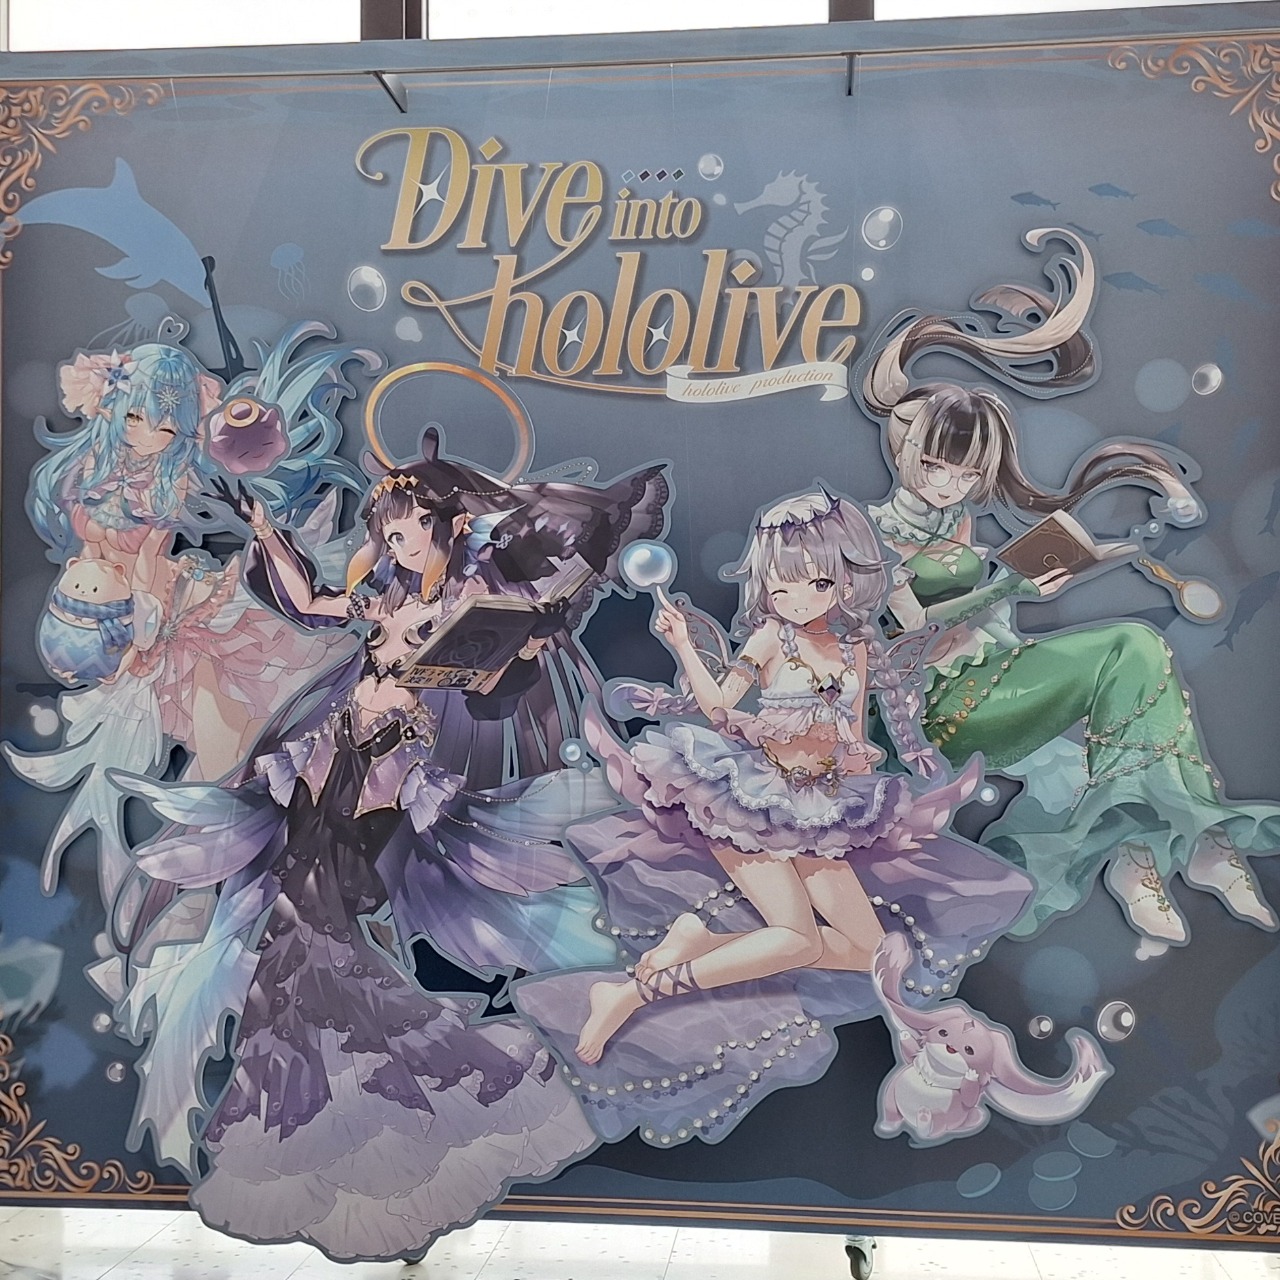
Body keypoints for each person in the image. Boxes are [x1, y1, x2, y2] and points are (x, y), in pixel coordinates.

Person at [109, 427, 670, 1262]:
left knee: (311, 933)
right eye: (387, 534)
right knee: (294, 942)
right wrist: (264, 531)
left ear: (447, 524)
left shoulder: (471, 605)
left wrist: (527, 638)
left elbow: (486, 681)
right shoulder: (388, 597)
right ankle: (327, 1111)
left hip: (381, 782)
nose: (392, 545)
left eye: (404, 531)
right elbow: (311, 604)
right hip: (322, 770)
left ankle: (357, 1106)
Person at [514, 489, 1032, 1148]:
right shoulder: (769, 637)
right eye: (782, 586)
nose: (798, 599)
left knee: (870, 954)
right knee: (795, 939)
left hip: (824, 807)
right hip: (749, 798)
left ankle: (695, 941)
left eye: (816, 583)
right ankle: (631, 996)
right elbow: (720, 708)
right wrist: (684, 647)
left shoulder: (856, 647)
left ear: (845, 578)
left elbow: (851, 728)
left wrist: (855, 752)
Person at [861, 226, 1280, 944]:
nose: (950, 484)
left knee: (1136, 650)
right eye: (936, 465)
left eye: (966, 473)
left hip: (997, 676)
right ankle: (1185, 848)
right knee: (1128, 651)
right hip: (934, 713)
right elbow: (913, 627)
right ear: (906, 449)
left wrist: (1102, 553)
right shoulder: (866, 531)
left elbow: (995, 604)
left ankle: (1154, 853)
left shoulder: (959, 522)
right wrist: (1007, 590)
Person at [6, 327, 370, 918]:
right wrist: (123, 631)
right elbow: (95, 557)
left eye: (166, 429)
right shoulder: (81, 474)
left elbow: (150, 566)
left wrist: (144, 626)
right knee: (225, 754)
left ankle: (239, 878)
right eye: (136, 419)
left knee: (237, 745)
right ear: (113, 407)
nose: (148, 436)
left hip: (168, 614)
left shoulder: (166, 482)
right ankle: (213, 884)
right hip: (129, 625)